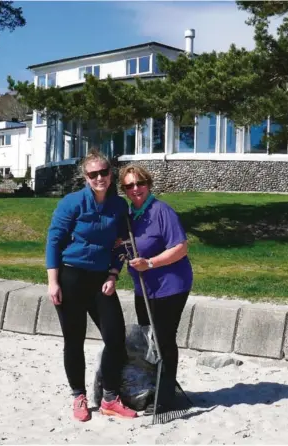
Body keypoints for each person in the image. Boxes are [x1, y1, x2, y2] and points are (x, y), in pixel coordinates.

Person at [45, 150, 137, 421]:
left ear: (111, 174)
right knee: (74, 341)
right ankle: (79, 396)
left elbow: (122, 245)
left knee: (116, 338)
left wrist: (112, 275)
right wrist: (53, 282)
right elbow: (54, 241)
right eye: (93, 174)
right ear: (85, 177)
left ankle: (110, 398)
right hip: (71, 277)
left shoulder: (119, 206)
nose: (99, 178)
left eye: (104, 172)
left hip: (100, 280)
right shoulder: (71, 203)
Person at [118, 164, 193, 414]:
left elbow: (180, 247)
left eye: (139, 183)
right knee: (148, 341)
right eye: (129, 185)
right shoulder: (129, 217)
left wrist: (150, 263)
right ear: (124, 190)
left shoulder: (162, 211)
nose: (135, 189)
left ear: (148, 184)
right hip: (144, 289)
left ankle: (165, 399)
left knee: (163, 340)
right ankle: (153, 389)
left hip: (171, 285)